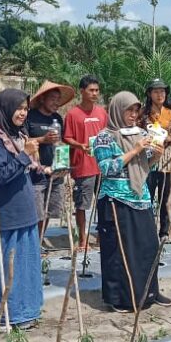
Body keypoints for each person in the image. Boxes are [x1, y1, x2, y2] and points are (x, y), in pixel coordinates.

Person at [93, 91, 171, 312]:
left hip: (140, 197)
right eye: (129, 110)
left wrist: (156, 153)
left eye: (136, 110)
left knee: (148, 246)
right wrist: (136, 150)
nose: (133, 114)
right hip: (116, 200)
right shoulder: (105, 137)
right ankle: (122, 299)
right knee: (121, 251)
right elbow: (107, 168)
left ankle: (149, 291)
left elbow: (146, 166)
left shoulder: (138, 134)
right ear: (118, 111)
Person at [0, 89, 43, 329]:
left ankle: (25, 311)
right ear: (5, 109)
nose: (23, 113)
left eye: (26, 109)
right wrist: (26, 155)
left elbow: (24, 171)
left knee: (25, 265)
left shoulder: (18, 136)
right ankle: (2, 314)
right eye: (18, 108)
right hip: (5, 213)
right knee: (3, 264)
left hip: (24, 211)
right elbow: (2, 175)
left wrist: (42, 169)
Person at [26, 79, 75, 245]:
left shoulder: (57, 119)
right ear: (42, 99)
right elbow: (23, 143)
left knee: (49, 211)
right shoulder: (30, 117)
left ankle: (38, 241)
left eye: (58, 99)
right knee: (36, 211)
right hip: (36, 172)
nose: (56, 102)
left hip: (55, 171)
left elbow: (59, 143)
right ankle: (32, 244)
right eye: (53, 98)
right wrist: (42, 139)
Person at [63, 75, 108, 251]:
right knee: (82, 204)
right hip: (83, 166)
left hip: (102, 165)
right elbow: (66, 137)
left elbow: (107, 134)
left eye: (97, 90)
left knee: (104, 202)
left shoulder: (102, 113)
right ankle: (82, 239)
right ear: (82, 91)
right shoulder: (73, 114)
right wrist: (80, 146)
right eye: (91, 90)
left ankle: (102, 236)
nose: (94, 93)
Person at [139, 78, 171, 240]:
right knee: (147, 196)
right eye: (156, 91)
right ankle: (147, 228)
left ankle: (164, 231)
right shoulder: (143, 114)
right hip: (149, 160)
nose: (160, 95)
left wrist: (170, 138)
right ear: (149, 94)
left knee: (166, 199)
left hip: (167, 161)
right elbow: (136, 133)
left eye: (162, 91)